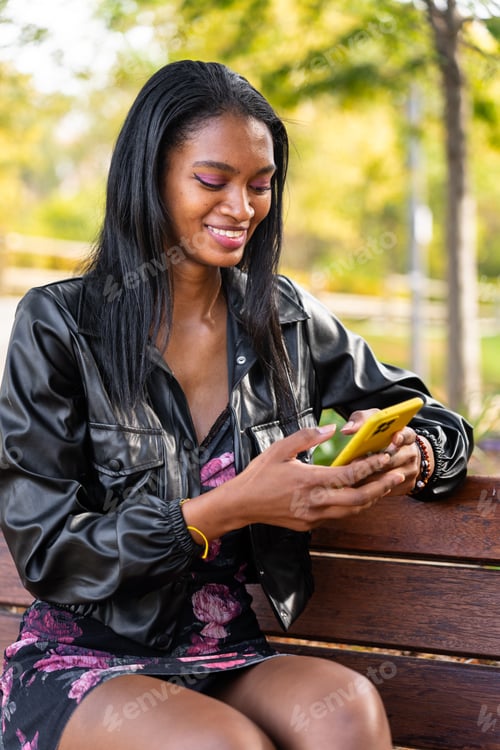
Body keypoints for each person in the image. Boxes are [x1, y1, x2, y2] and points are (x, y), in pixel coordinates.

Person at [0, 60, 472, 750]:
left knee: (349, 709)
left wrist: (416, 449)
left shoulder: (282, 319)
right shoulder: (59, 325)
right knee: (224, 745)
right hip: (86, 658)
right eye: (213, 181)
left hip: (228, 648)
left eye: (261, 183)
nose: (243, 207)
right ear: (150, 175)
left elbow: (424, 409)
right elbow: (48, 553)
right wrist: (231, 506)